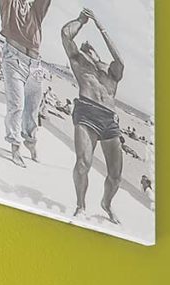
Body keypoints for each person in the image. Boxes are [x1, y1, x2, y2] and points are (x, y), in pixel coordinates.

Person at [62, 8, 126, 225]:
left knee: (115, 176)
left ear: (97, 53)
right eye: (84, 49)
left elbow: (120, 60)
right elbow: (65, 34)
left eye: (90, 49)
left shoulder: (112, 74)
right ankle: (80, 206)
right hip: (87, 112)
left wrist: (101, 27)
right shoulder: (79, 64)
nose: (86, 50)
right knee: (83, 163)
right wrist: (81, 21)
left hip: (109, 120)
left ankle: (106, 204)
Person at [0, 0, 53, 167]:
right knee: (17, 106)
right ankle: (15, 147)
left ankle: (30, 141)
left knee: (32, 111)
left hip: (35, 66)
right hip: (14, 61)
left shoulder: (35, 10)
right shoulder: (10, 4)